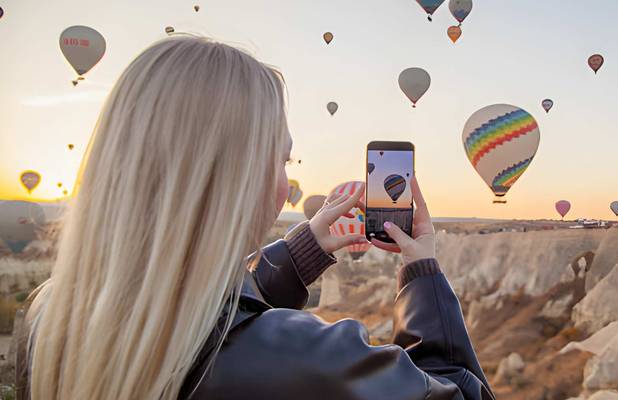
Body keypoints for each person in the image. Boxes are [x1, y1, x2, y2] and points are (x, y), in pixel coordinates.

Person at [14, 36, 494, 400]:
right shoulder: (308, 359)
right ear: (237, 177)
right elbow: (458, 389)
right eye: (282, 161)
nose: (285, 182)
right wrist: (422, 273)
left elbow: (202, 314)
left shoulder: (48, 316)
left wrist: (302, 254)